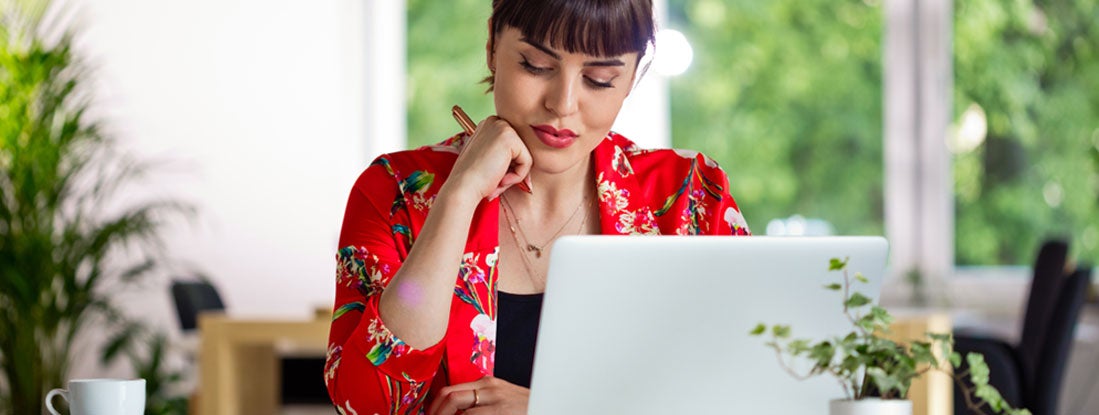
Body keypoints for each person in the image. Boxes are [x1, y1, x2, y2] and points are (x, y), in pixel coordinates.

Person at [324, 0, 751, 414]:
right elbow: (367, 402)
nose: (562, 104)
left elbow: (752, 385)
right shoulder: (397, 190)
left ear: (634, 74)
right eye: (536, 66)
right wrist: (457, 198)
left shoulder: (690, 197)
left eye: (599, 79)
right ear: (492, 45)